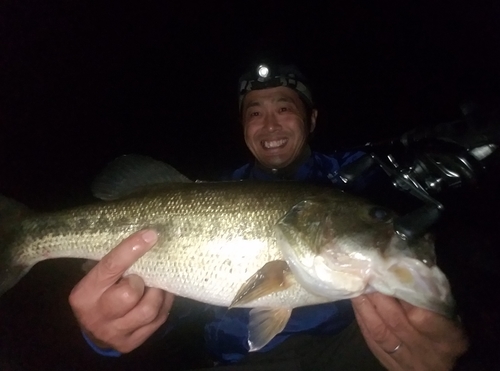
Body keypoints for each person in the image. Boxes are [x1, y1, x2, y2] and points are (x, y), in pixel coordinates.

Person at [68, 63, 469, 370]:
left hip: (347, 346)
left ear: (311, 120)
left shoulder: (355, 177)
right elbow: (178, 304)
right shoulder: (214, 193)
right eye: (255, 112)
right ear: (244, 127)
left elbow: (411, 163)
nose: (271, 123)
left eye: (284, 107)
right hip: (242, 361)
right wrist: (103, 334)